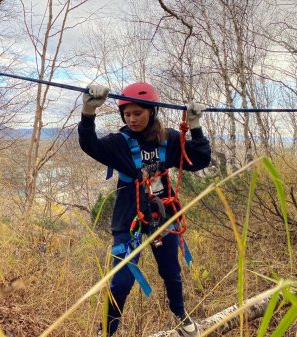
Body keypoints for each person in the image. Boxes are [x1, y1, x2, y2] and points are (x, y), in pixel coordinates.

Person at [78, 83, 211, 337]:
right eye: (127, 114)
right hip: (129, 219)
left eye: (137, 113)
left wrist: (195, 127)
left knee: (171, 272)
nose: (131, 119)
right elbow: (90, 144)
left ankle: (180, 315)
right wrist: (88, 112)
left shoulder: (169, 139)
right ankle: (106, 331)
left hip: (163, 216)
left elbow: (200, 159)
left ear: (152, 112)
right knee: (122, 282)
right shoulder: (119, 143)